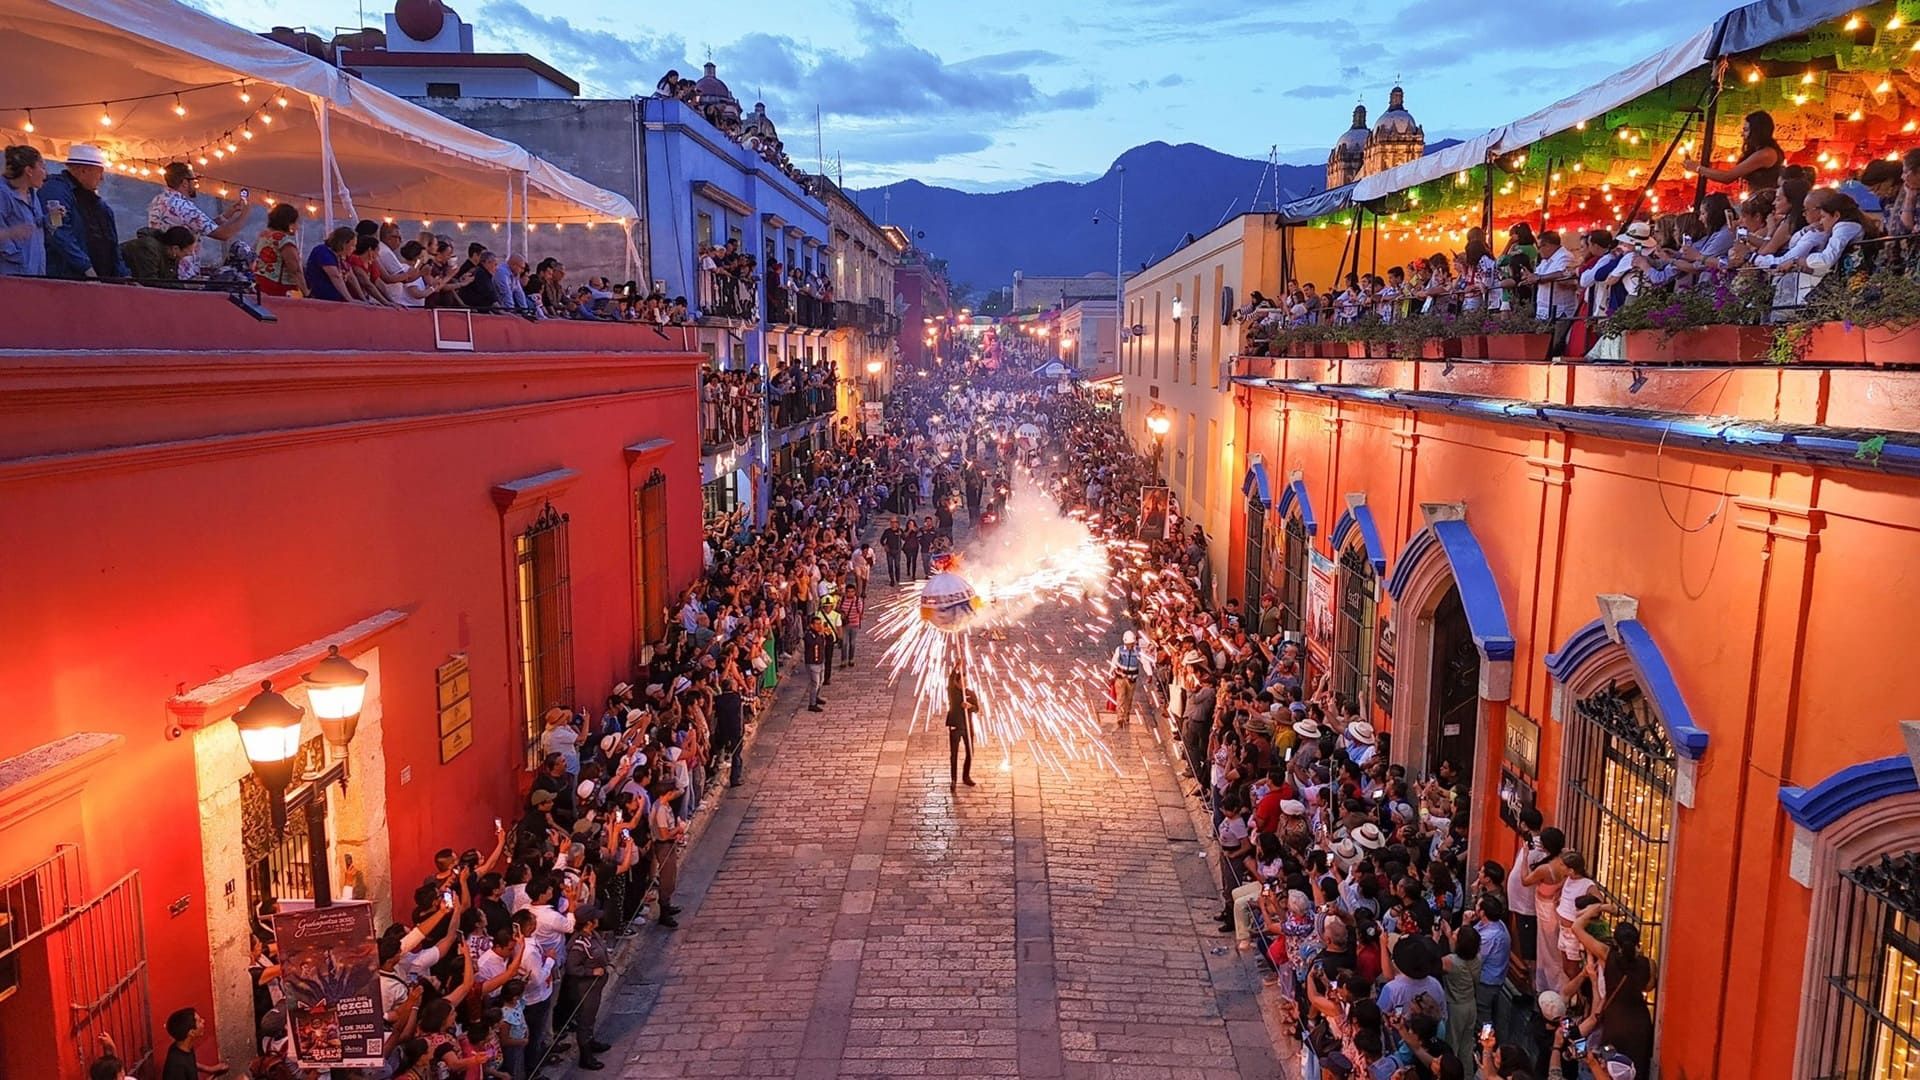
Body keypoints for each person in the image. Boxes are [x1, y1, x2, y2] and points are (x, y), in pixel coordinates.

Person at [147, 162, 250, 277]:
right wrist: (245, 214)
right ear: (185, 183)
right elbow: (223, 235)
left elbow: (201, 227)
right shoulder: (183, 206)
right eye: (194, 180)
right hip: (182, 272)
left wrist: (227, 215)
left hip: (163, 268)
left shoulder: (158, 200)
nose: (196, 184)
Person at [42, 145, 125, 280]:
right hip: (68, 277)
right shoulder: (55, 191)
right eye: (99, 172)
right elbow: (58, 231)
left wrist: (124, 275)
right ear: (83, 170)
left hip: (99, 277)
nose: (102, 178)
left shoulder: (99, 205)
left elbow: (112, 243)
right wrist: (86, 267)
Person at [558, 906, 613, 1070]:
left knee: (591, 1016)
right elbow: (572, 968)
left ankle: (591, 1041)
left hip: (595, 986)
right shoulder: (578, 943)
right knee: (585, 1020)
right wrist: (591, 971)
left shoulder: (592, 935)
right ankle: (585, 1056)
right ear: (589, 922)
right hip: (584, 988)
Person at [1682, 109, 1784, 192]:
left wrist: (1697, 168)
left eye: (1746, 130)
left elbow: (1727, 177)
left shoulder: (1766, 154)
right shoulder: (1760, 151)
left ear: (1757, 132)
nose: (1742, 134)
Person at [1, 144, 49, 277]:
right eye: (42, 167)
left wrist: (49, 218)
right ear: (29, 170)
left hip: (35, 273)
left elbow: (35, 225)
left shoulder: (32, 194)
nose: (46, 174)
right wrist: (11, 234)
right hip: (10, 277)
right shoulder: (3, 194)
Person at [160, 1007, 228, 1080]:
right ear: (192, 1032)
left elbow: (190, 1063)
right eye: (199, 1021)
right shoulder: (177, 1068)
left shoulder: (182, 1045)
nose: (203, 1021)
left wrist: (210, 1069)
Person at [250, 204, 303, 296]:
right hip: (278, 287)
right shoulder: (284, 241)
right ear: (289, 223)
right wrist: (306, 292)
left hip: (259, 282)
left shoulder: (263, 236)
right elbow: (295, 270)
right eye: (296, 222)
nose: (298, 227)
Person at [122, 226, 198, 285]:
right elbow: (150, 282)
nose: (190, 254)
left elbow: (170, 280)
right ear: (175, 248)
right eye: (187, 251)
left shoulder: (172, 256)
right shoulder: (149, 250)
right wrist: (185, 286)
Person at [946, 664, 978, 789]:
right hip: (955, 727)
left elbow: (977, 709)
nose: (965, 684)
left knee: (970, 752)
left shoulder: (970, 693)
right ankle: (953, 779)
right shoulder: (953, 692)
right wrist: (956, 667)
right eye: (962, 681)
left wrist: (970, 706)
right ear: (957, 682)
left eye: (966, 681)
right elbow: (950, 679)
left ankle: (966, 776)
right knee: (954, 754)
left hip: (967, 727)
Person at [305, 227, 357, 302]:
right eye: (352, 245)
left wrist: (363, 299)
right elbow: (335, 276)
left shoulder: (341, 257)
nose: (354, 249)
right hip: (321, 300)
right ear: (344, 244)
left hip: (335, 300)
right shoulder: (322, 251)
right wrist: (350, 299)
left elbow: (352, 278)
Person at [1110, 629, 1142, 725]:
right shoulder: (1119, 650)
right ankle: (1120, 717)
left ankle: (1126, 716)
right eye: (1128, 644)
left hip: (1132, 679)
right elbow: (1114, 661)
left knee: (1129, 698)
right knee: (1120, 697)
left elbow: (1145, 662)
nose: (1130, 646)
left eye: (1131, 644)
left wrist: (1149, 674)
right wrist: (1111, 673)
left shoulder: (1138, 651)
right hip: (1121, 678)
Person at [803, 614, 831, 712]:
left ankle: (816, 697)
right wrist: (820, 634)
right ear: (811, 625)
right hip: (812, 662)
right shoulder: (808, 635)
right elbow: (812, 644)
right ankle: (812, 704)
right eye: (817, 624)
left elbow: (829, 641)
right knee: (815, 683)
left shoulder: (821, 634)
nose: (819, 626)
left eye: (820, 624)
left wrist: (827, 634)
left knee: (821, 681)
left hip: (820, 661)